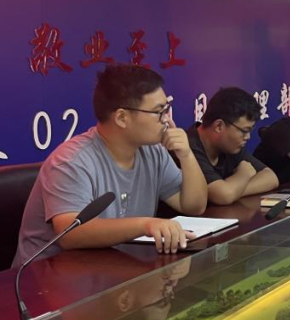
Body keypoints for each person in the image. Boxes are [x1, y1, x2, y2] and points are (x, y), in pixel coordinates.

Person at [15, 65, 209, 263]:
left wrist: (186, 155)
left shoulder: (153, 151)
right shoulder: (70, 161)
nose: (167, 120)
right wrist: (145, 225)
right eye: (159, 112)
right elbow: (69, 234)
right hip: (46, 274)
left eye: (166, 109)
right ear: (122, 118)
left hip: (110, 266)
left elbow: (194, 206)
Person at [184, 87, 279, 205]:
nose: (248, 137)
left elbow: (271, 177)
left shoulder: (230, 145)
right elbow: (223, 196)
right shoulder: (187, 147)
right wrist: (244, 174)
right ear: (219, 126)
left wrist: (234, 190)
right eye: (244, 131)